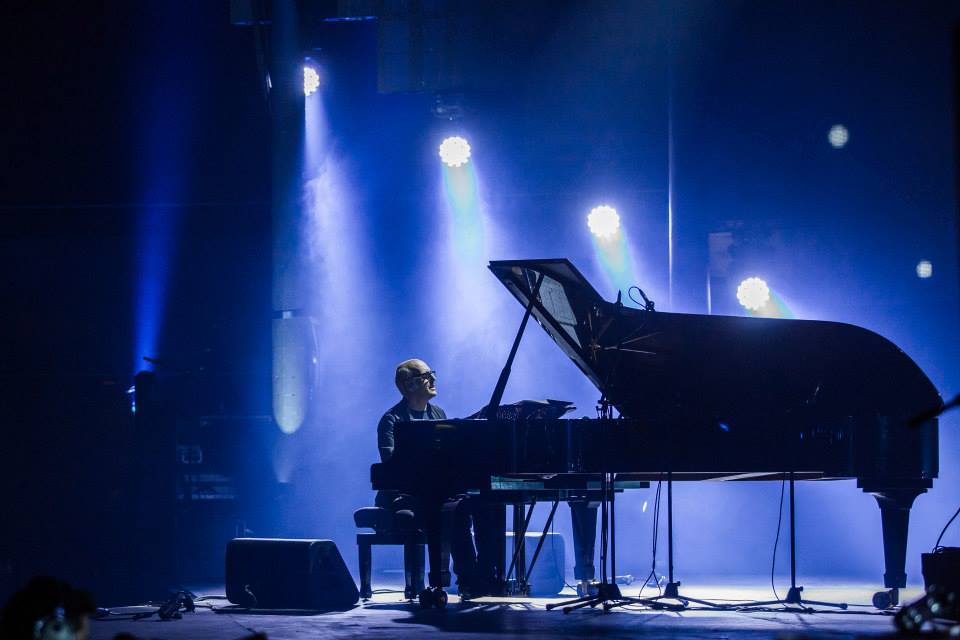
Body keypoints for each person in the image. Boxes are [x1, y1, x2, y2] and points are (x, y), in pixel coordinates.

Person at [376, 358, 494, 596]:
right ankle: (458, 580)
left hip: (438, 489)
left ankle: (483, 576)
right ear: (409, 385)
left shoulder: (438, 413)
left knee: (481, 505)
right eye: (426, 376)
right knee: (451, 511)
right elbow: (391, 463)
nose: (434, 379)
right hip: (403, 494)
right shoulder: (392, 419)